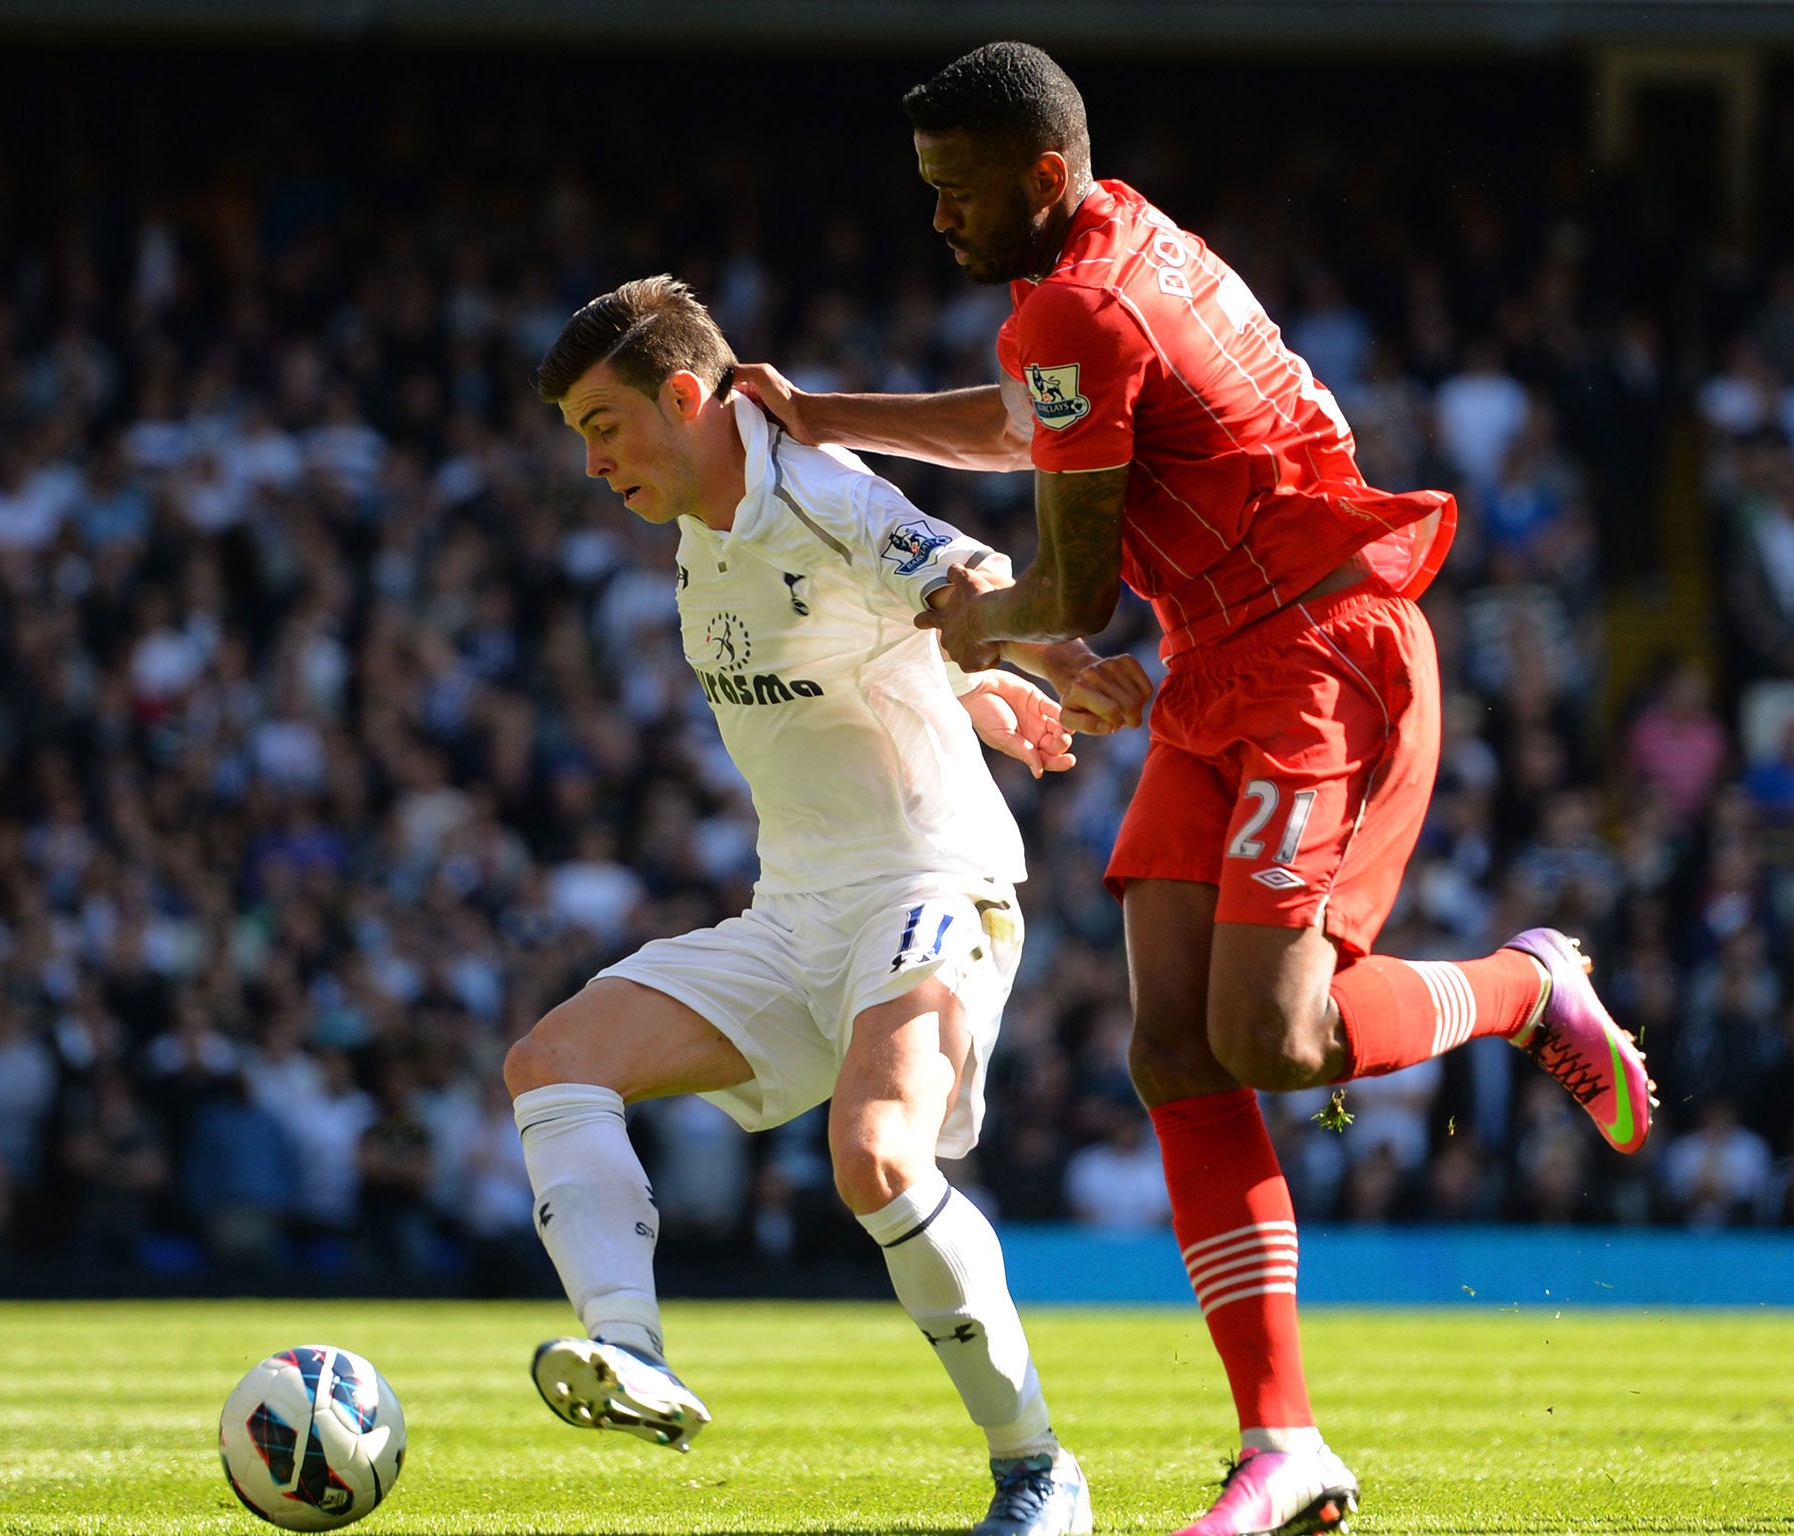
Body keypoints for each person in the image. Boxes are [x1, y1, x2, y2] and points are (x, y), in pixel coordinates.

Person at [735, 41, 1657, 1536]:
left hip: (1319, 661)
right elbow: (1032, 420)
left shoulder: (1082, 302)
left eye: (958, 191)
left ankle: (1524, 985)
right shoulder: (1106, 254)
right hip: (1223, 667)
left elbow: (1077, 593)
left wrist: (959, 620)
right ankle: (1283, 1442)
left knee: (1275, 1037)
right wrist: (827, 418)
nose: (937, 220)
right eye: (927, 191)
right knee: (1175, 1049)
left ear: (1043, 174)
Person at [506, 275, 1147, 1536]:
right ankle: (631, 1351)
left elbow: (965, 575)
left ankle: (1037, 1470)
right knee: (551, 1064)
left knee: (874, 1158)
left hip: (926, 882)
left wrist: (1045, 666)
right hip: (795, 911)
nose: (592, 465)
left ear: (684, 399)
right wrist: (967, 698)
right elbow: (858, 644)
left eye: (601, 426)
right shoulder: (698, 515)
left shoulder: (818, 490)